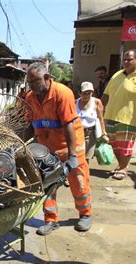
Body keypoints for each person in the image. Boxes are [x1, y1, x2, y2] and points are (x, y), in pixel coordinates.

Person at [24, 62, 92, 235]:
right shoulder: (30, 98)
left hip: (70, 146)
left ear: (47, 78)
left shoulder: (62, 93)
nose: (31, 85)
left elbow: (69, 124)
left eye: (35, 81)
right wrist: (23, 147)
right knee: (48, 185)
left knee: (78, 182)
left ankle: (85, 215)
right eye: (29, 82)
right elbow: (29, 125)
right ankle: (51, 220)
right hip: (46, 150)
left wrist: (72, 156)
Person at [101, 49, 136, 180]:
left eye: (129, 59)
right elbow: (106, 95)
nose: (126, 62)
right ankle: (121, 165)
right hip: (110, 116)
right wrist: (97, 108)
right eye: (124, 59)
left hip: (129, 119)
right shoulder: (117, 75)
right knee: (114, 144)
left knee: (125, 146)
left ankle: (123, 168)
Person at [76, 81, 109, 163]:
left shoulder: (96, 102)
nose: (87, 95)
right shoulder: (75, 103)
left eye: (89, 93)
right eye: (84, 93)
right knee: (77, 156)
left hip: (90, 134)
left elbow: (101, 118)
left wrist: (103, 133)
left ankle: (85, 174)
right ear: (79, 93)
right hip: (77, 133)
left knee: (86, 157)